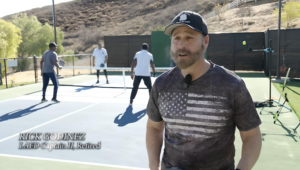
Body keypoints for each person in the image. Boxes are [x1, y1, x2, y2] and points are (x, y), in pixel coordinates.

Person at [146, 11, 262, 170]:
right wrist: (154, 166)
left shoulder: (232, 85)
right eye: (176, 38)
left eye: (189, 37)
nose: (181, 45)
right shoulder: (161, 84)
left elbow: (252, 136)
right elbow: (154, 127)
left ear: (205, 41)